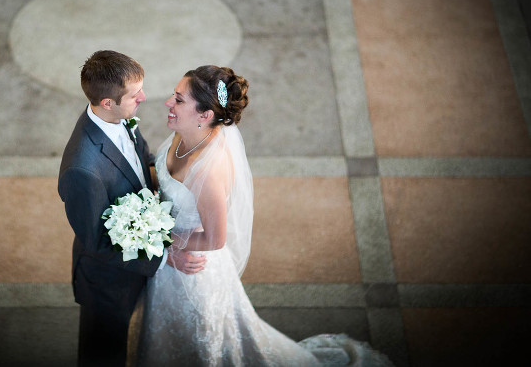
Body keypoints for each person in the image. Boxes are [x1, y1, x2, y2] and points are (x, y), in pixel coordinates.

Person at [135, 65, 394, 366]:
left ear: (205, 115)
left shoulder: (208, 171)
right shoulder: (183, 135)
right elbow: (163, 178)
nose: (168, 102)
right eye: (173, 95)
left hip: (192, 271)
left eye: (178, 100)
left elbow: (215, 238)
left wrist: (164, 243)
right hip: (171, 258)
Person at [58, 50, 206, 367]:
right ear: (107, 103)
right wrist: (167, 255)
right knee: (102, 355)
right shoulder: (82, 170)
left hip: (136, 258)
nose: (144, 97)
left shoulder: (119, 118)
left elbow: (140, 159)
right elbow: (98, 242)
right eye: (134, 94)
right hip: (108, 283)